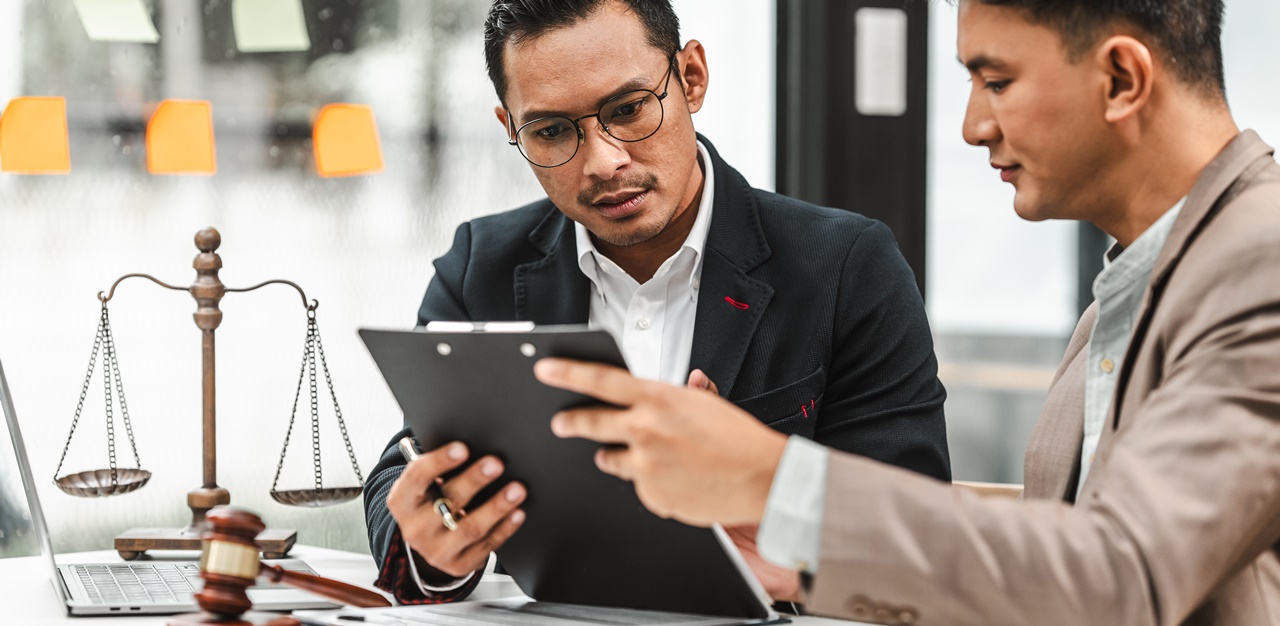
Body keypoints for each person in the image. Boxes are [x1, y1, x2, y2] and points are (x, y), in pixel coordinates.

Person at [537, 0, 1280, 624]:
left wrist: (775, 478)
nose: (971, 126)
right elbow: (1058, 575)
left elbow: (1123, 573)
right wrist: (800, 565)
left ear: (1122, 77)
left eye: (996, 80)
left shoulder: (1260, 262)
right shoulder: (1139, 285)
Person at [363, 0, 952, 605]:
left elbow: (917, 539)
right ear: (510, 127)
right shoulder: (481, 266)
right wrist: (432, 547)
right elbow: (406, 471)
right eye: (551, 131)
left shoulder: (846, 266)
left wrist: (768, 503)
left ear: (691, 77)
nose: (603, 161)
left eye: (629, 110)